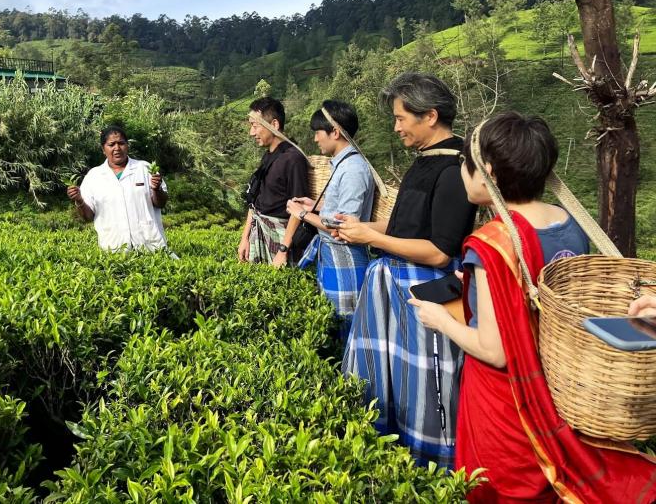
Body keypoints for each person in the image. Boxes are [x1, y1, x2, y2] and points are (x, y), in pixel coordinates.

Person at [410, 111, 656, 503]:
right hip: (560, 388)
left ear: (487, 171)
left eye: (465, 164)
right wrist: (479, 289)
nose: (462, 170)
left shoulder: (492, 243)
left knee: (499, 488)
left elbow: (497, 351)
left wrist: (440, 319)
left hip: (506, 401)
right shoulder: (570, 223)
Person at [336, 72, 477, 468]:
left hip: (425, 296)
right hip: (395, 288)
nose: (397, 127)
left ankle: (429, 467)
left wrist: (373, 238)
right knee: (395, 378)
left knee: (425, 387)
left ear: (429, 116)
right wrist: (362, 229)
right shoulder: (424, 163)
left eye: (401, 118)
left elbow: (438, 251)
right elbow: (405, 227)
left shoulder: (453, 170)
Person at [279, 100, 375, 341]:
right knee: (331, 321)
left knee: (345, 326)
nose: (315, 139)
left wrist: (301, 214)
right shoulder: (343, 165)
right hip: (333, 256)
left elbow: (344, 226)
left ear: (335, 132)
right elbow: (339, 211)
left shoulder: (353, 169)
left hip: (345, 258)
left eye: (318, 133)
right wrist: (316, 206)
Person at [67, 125, 168, 252]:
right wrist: (79, 200)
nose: (117, 148)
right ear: (103, 149)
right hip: (113, 249)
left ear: (127, 146)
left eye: (121, 143)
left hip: (151, 246)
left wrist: (156, 189)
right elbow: (88, 217)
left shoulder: (144, 168)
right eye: (111, 144)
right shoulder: (94, 176)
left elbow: (161, 203)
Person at [238, 97, 309, 264]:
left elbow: (298, 208)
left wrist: (283, 250)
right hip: (260, 231)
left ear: (275, 125)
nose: (251, 133)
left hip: (280, 241)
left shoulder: (293, 159)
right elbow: (255, 201)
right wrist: (245, 238)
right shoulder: (269, 156)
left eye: (255, 126)